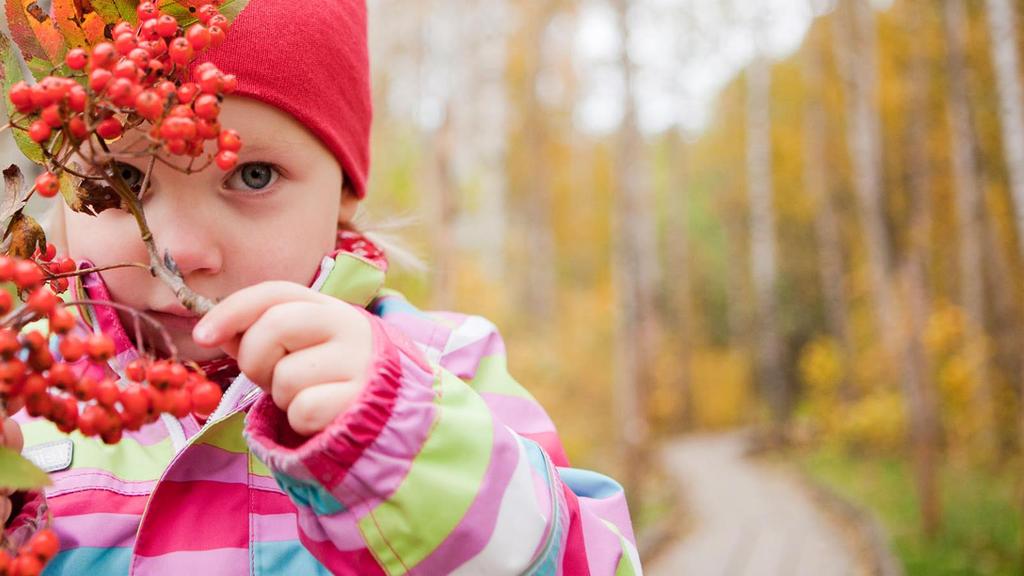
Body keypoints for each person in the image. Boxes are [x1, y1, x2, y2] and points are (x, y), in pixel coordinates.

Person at [0, 0, 643, 574]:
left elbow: (596, 561)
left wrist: (401, 446)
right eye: (119, 185)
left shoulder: (440, 368)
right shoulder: (25, 392)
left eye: (251, 175)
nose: (179, 250)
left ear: (342, 195)